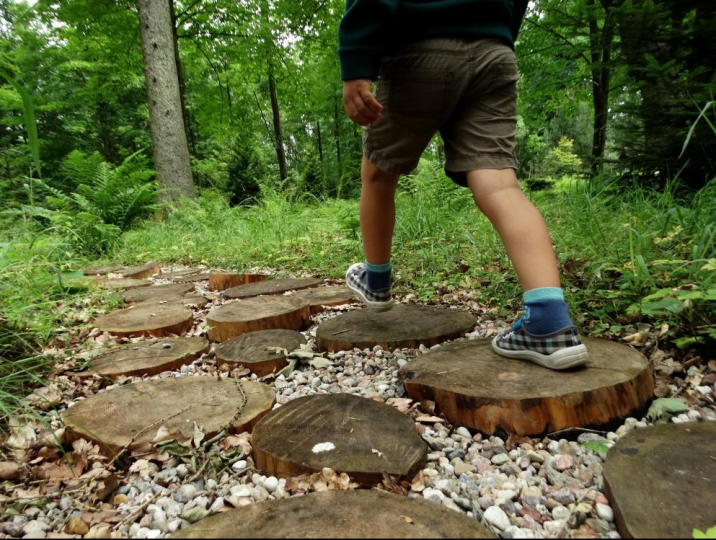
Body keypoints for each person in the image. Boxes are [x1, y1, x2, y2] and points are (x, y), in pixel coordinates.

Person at [338, 0, 589, 370]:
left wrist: (357, 60)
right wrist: (492, 29)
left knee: (379, 174)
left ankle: (376, 281)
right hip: (493, 50)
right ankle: (550, 322)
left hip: (419, 45)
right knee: (502, 187)